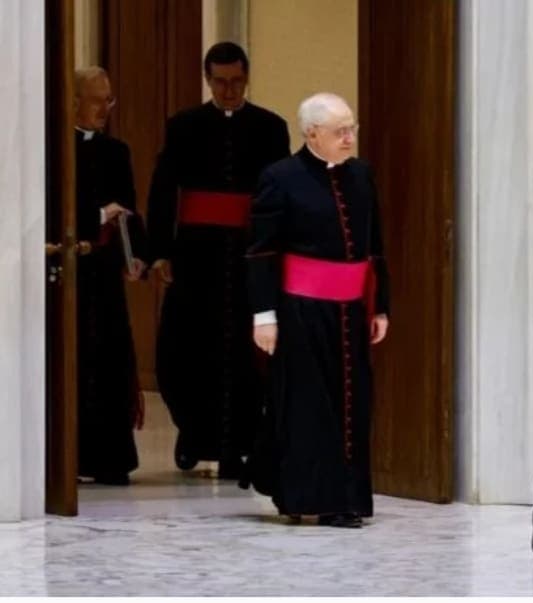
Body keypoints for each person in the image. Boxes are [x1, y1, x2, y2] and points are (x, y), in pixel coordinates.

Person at [244, 92, 390, 528]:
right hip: (300, 312)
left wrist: (380, 307)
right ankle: (304, 497)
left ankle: (346, 501)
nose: (349, 138)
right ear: (311, 134)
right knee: (310, 407)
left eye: (352, 128)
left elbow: (375, 248)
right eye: (339, 131)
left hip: (350, 311)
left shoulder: (362, 175)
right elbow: (260, 252)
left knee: (352, 404)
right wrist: (264, 315)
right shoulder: (281, 177)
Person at [146, 41, 290, 478]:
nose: (229, 91)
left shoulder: (270, 127)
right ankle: (194, 434)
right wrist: (159, 252)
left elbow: (279, 195)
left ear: (247, 78)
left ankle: (241, 442)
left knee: (246, 354)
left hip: (249, 255)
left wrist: (278, 251)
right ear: (208, 80)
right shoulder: (184, 125)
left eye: (237, 81)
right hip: (197, 256)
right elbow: (162, 190)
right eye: (220, 82)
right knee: (186, 348)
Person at [71, 66, 149, 485]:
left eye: (109, 100)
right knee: (78, 359)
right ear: (74, 101)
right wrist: (99, 215)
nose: (105, 108)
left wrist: (137, 257)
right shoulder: (53, 149)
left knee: (112, 357)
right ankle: (75, 456)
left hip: (104, 274)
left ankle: (111, 458)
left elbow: (131, 211)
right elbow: (52, 211)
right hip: (70, 274)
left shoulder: (117, 152)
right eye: (97, 99)